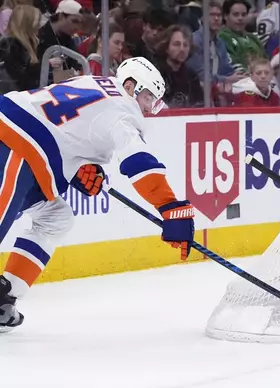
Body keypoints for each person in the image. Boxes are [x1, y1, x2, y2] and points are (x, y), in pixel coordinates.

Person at [0, 57, 195, 331]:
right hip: (14, 142)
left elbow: (66, 127)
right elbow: (139, 163)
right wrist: (170, 206)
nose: (150, 108)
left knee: (57, 219)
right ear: (130, 86)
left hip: (27, 147)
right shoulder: (122, 110)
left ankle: (5, 293)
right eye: (148, 96)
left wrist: (78, 165)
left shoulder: (94, 82)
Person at [154, 25, 204, 108]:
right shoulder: (155, 74)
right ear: (166, 47)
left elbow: (199, 105)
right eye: (176, 44)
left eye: (185, 45)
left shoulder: (192, 76)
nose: (182, 49)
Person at [0, 5, 41, 92]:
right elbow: (18, 77)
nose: (39, 25)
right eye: (37, 22)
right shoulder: (10, 45)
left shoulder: (30, 42)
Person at [218, 0, 266, 73]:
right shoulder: (221, 37)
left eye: (243, 15)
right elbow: (232, 66)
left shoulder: (253, 38)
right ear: (225, 16)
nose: (240, 18)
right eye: (236, 14)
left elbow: (266, 61)